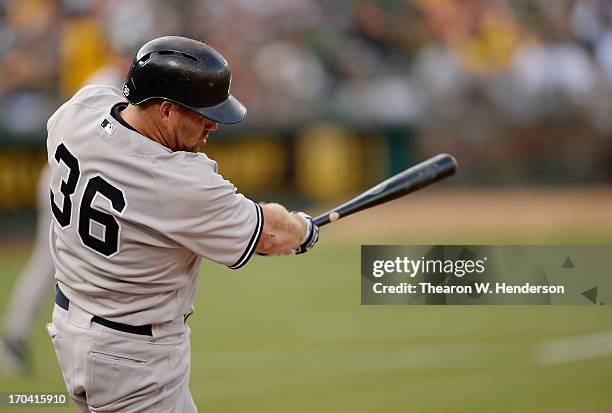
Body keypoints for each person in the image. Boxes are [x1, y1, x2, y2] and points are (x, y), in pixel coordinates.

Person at [45, 36, 319, 412]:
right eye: (203, 112)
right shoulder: (176, 180)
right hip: (133, 359)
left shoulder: (80, 109)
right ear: (167, 110)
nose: (213, 125)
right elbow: (270, 234)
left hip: (71, 324)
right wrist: (303, 230)